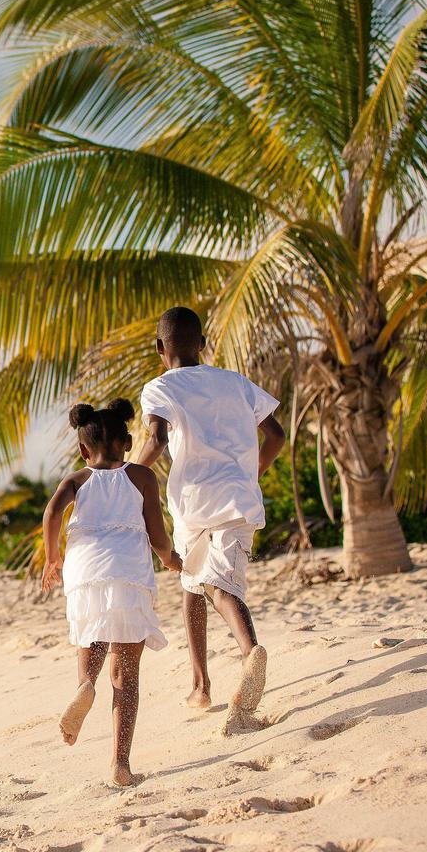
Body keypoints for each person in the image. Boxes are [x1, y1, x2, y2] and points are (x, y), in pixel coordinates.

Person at [134, 307, 286, 722]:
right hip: (234, 499)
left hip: (190, 503)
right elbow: (276, 434)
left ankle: (241, 660)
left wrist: (128, 476)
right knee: (208, 584)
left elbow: (157, 438)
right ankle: (206, 682)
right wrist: (251, 473)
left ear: (159, 348)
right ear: (202, 344)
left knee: (205, 586)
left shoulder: (159, 387)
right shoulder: (234, 382)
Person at [41, 399, 181, 787]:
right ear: (128, 442)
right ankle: (120, 764)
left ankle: (85, 685)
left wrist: (53, 558)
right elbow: (156, 531)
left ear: (83, 450)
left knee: (90, 638)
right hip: (128, 572)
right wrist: (169, 558)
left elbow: (52, 513)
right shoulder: (141, 477)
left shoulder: (76, 480)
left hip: (85, 570)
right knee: (126, 673)